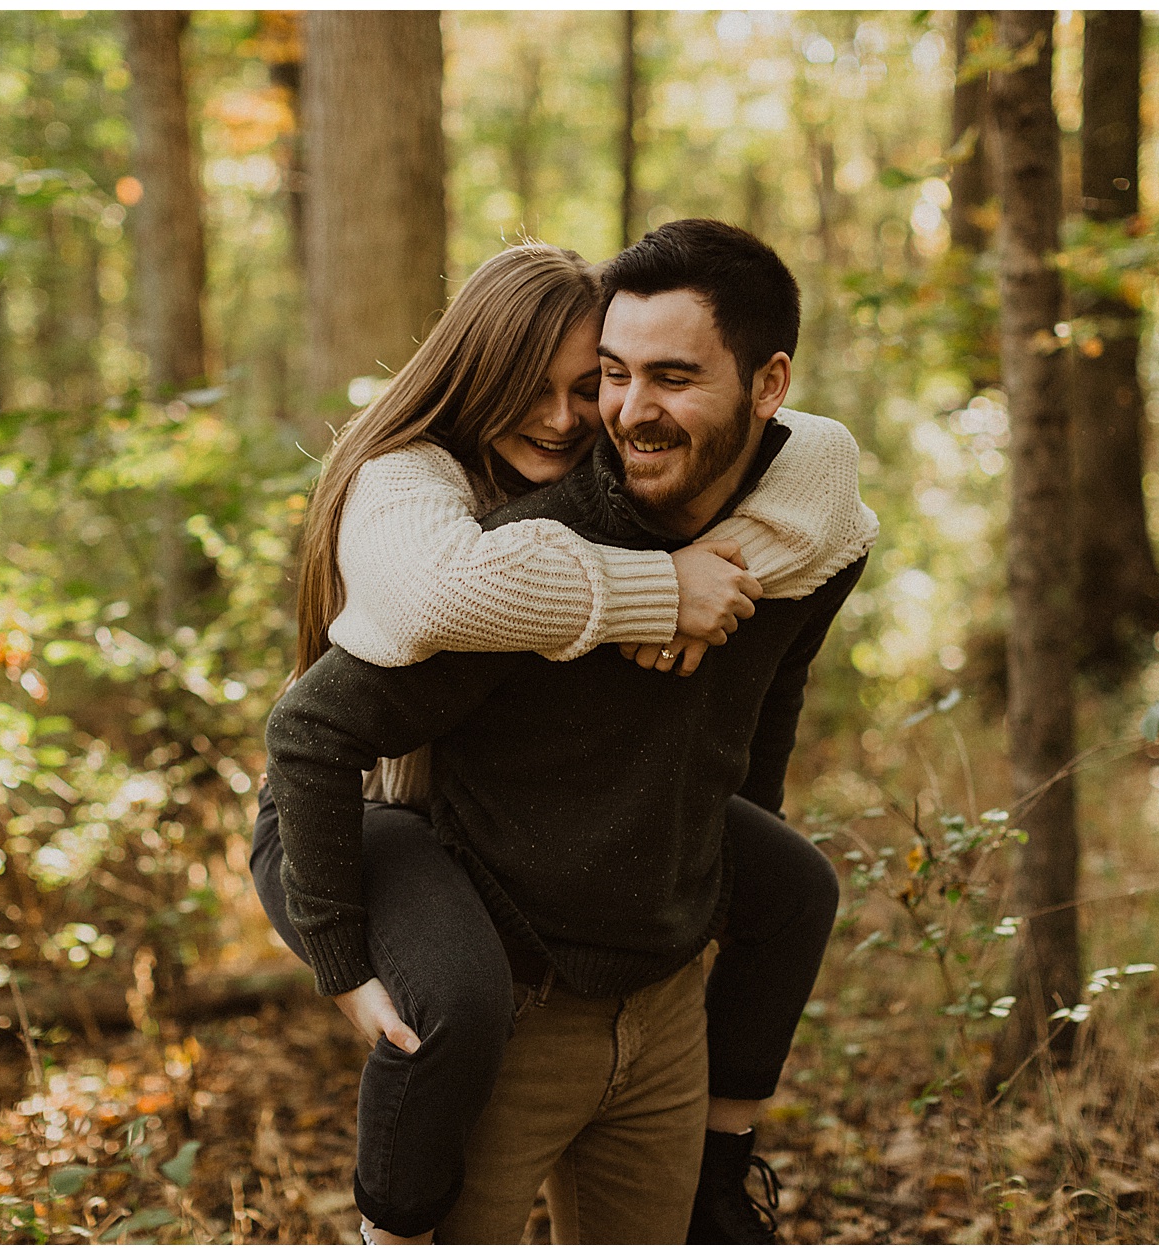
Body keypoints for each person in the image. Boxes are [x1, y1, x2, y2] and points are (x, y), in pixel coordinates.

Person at [256, 225, 875, 1242]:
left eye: (592, 384)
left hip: (657, 1004)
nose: (589, 414)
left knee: (798, 883)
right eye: (615, 378)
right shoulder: (453, 527)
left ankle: (726, 1182)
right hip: (390, 833)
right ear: (471, 385)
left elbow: (778, 650)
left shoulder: (789, 511)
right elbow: (360, 677)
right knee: (451, 998)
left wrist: (703, 855)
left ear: (766, 384)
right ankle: (392, 1222)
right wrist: (650, 589)